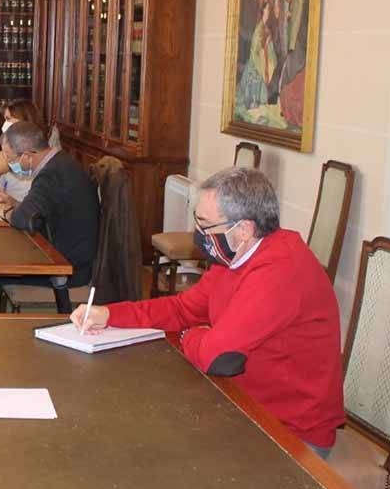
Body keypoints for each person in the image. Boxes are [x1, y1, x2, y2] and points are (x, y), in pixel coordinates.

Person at [71, 167, 344, 458]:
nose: (197, 234)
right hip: (239, 402)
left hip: (287, 431)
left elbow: (215, 356)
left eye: (204, 224)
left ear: (244, 229)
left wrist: (190, 334)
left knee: (161, 452)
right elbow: (182, 308)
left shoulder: (280, 270)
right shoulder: (234, 257)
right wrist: (111, 314)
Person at [0, 121, 99, 314]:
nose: (9, 164)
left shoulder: (51, 174)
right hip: (60, 251)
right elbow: (40, 211)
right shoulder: (60, 162)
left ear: (26, 156)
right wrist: (14, 202)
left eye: (10, 158)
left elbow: (22, 220)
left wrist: (5, 211)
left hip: (64, 266)